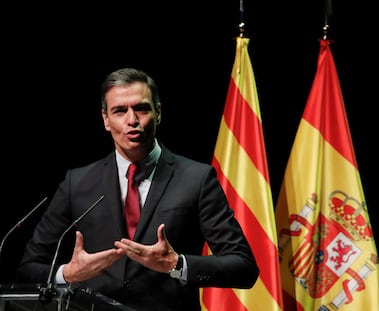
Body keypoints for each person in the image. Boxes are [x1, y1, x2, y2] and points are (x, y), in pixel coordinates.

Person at [16, 67, 259, 310]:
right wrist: (67, 274)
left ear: (159, 112)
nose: (132, 120)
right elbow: (28, 268)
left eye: (141, 108)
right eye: (119, 111)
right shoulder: (77, 182)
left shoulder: (197, 178)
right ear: (105, 120)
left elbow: (243, 267)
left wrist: (177, 264)